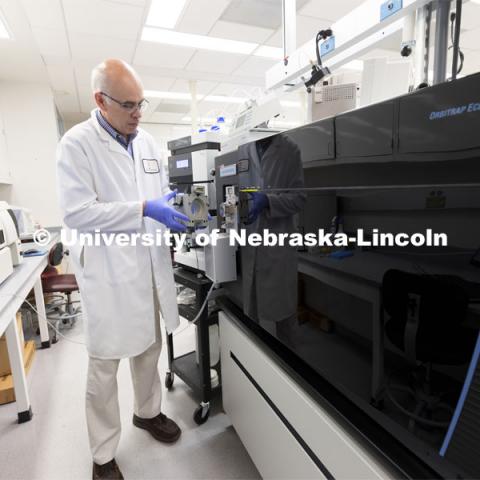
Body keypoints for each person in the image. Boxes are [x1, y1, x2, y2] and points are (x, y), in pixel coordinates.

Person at [56, 59, 189, 480]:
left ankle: (147, 413)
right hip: (108, 272)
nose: (138, 113)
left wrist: (170, 205)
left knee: (150, 346)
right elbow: (78, 213)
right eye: (129, 104)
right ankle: (102, 453)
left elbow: (158, 190)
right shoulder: (76, 144)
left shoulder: (147, 142)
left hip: (149, 263)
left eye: (141, 103)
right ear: (101, 100)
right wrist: (145, 209)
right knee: (105, 364)